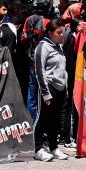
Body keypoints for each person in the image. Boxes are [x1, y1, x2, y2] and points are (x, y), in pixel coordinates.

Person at [33, 19, 68, 161]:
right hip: (49, 88)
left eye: (62, 32)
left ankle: (53, 147)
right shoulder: (43, 47)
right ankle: (38, 149)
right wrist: (46, 93)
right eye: (58, 33)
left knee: (55, 120)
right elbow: (39, 71)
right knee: (43, 118)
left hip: (60, 88)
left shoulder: (59, 47)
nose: (61, 35)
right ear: (50, 33)